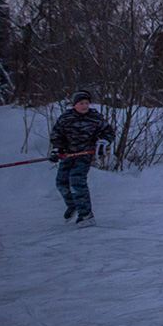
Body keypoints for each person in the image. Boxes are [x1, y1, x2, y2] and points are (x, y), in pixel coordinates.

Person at [48, 90, 115, 228]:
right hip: (67, 154)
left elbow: (108, 132)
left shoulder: (95, 118)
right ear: (74, 105)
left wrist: (103, 143)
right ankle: (73, 205)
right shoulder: (66, 118)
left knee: (77, 181)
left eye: (86, 103)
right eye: (81, 103)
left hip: (84, 155)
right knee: (61, 182)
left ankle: (85, 214)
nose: (84, 106)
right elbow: (56, 134)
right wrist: (57, 149)